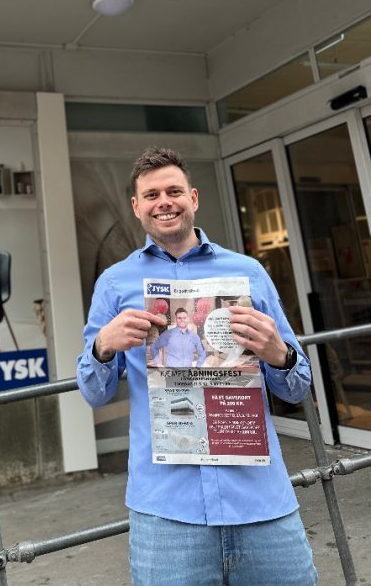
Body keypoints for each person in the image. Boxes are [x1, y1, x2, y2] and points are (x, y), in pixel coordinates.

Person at [77, 147, 317, 586]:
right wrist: (103, 348)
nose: (163, 201)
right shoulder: (113, 283)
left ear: (194, 198)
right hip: (167, 511)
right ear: (137, 207)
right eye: (151, 195)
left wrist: (277, 353)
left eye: (173, 191)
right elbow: (93, 392)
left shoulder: (248, 272)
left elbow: (298, 387)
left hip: (260, 501)